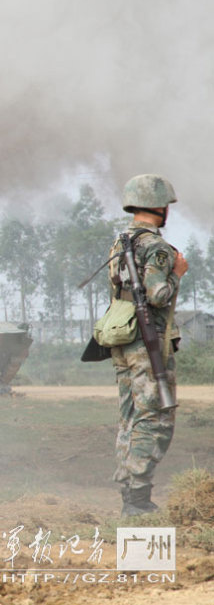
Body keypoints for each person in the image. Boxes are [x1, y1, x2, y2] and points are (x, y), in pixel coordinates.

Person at [107, 174, 188, 516]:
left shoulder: (121, 241)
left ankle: (131, 494)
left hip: (124, 340)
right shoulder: (155, 247)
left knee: (130, 417)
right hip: (148, 341)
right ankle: (137, 500)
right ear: (158, 206)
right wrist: (178, 272)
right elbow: (158, 294)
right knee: (154, 418)